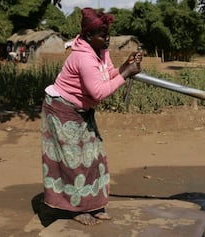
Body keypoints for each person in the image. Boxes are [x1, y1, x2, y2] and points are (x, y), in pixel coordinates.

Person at [36, 7, 143, 227]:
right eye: (102, 35)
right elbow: (99, 92)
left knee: (95, 157)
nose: (107, 39)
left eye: (108, 34)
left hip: (81, 111)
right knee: (73, 162)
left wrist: (125, 66)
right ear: (87, 36)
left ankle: (93, 205)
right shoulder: (82, 57)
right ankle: (74, 209)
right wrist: (126, 73)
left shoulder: (101, 50)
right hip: (61, 110)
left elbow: (107, 76)